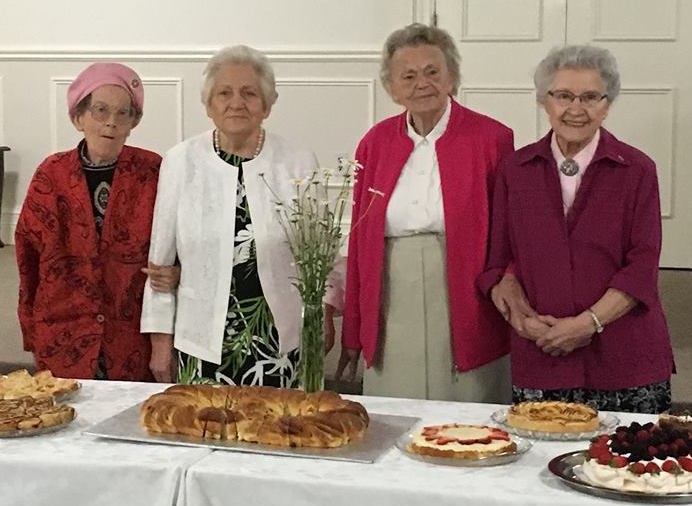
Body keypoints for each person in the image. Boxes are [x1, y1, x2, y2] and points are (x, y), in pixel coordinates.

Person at [477, 45, 674, 413]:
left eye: (590, 97)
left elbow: (642, 266)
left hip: (626, 360)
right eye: (563, 95)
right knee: (536, 467)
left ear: (607, 104)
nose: (576, 109)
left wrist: (587, 324)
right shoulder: (514, 170)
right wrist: (521, 318)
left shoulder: (637, 169)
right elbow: (497, 262)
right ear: (544, 101)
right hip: (542, 356)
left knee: (629, 467)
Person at [141, 45, 342, 386]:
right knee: (202, 432)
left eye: (249, 93)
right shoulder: (180, 161)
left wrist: (321, 317)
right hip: (201, 341)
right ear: (209, 105)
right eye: (224, 93)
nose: (237, 102)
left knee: (283, 434)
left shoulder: (298, 162)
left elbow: (320, 256)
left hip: (280, 343)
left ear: (266, 104)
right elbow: (159, 262)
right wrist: (160, 341)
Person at [335, 23, 515, 402]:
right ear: (392, 87)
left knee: (468, 414)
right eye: (409, 76)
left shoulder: (492, 139)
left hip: (467, 292)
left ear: (452, 77)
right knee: (396, 414)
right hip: (392, 296)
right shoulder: (374, 143)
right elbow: (361, 239)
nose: (422, 83)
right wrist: (353, 330)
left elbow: (510, 232)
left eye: (433, 72)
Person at [15, 62, 178, 381]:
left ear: (135, 121)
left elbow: (181, 243)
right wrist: (31, 330)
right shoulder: (51, 174)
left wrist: (178, 273)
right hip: (65, 333)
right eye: (100, 111)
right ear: (78, 117)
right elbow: (27, 259)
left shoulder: (153, 171)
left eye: (123, 113)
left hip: (132, 336)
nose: (111, 123)